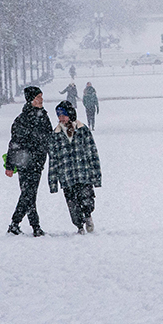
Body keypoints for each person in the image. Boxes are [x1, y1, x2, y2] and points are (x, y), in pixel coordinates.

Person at [47, 100, 102, 234]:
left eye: (63, 115)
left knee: (87, 199)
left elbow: (93, 152)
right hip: (67, 176)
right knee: (73, 205)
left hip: (84, 174)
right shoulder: (55, 135)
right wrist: (53, 182)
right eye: (59, 116)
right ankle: (79, 226)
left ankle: (88, 216)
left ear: (70, 114)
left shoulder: (82, 130)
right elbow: (53, 159)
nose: (61, 118)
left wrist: (96, 176)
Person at [4, 86, 52, 236]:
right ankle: (25, 225)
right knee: (28, 194)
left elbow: (49, 138)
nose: (41, 100)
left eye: (41, 97)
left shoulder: (43, 116)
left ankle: (24, 226)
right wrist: (10, 165)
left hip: (37, 162)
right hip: (25, 162)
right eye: (38, 97)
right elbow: (15, 143)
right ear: (31, 100)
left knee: (29, 194)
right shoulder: (22, 119)